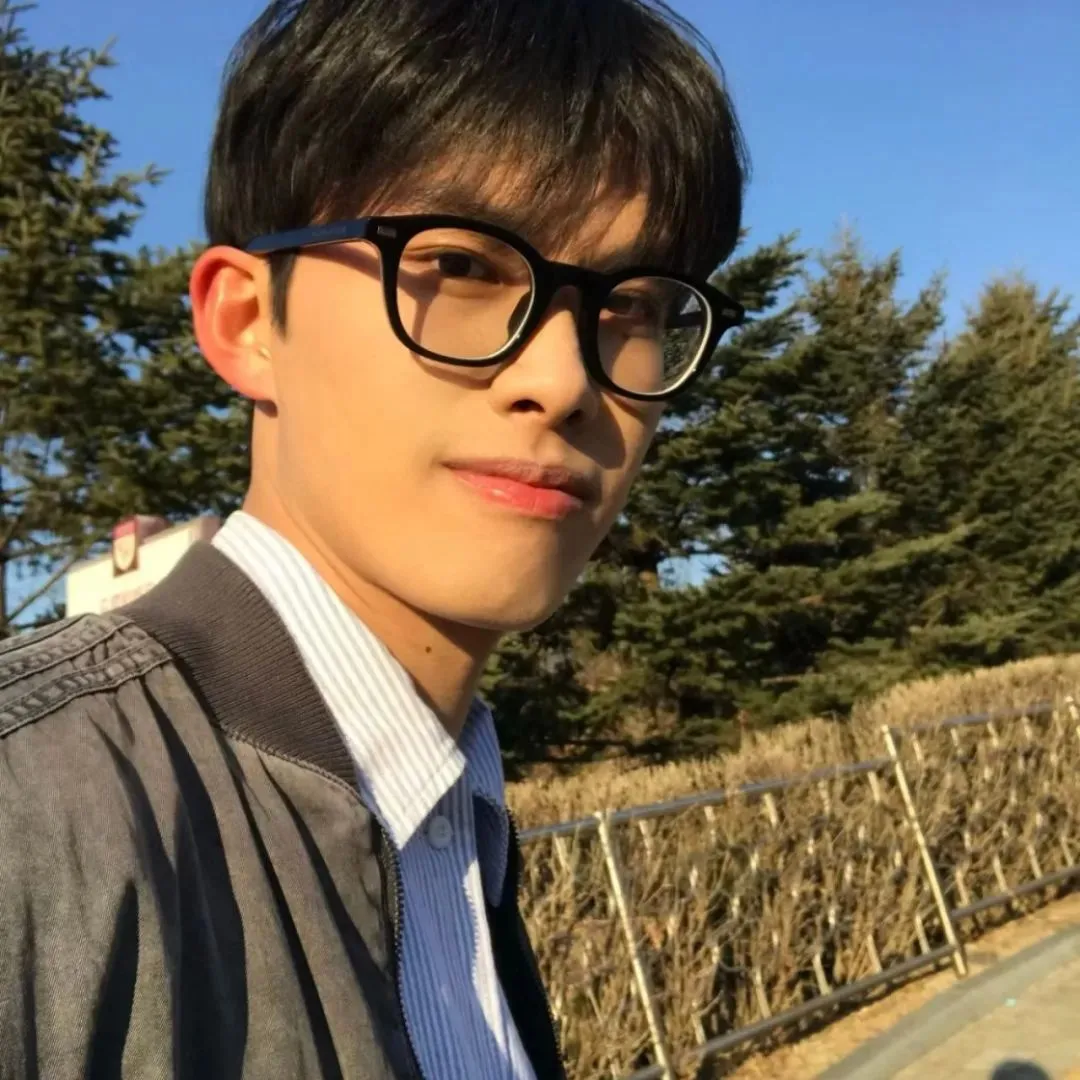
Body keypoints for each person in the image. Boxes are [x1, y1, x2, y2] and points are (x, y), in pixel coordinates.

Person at [0, 0, 747, 1076]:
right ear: (247, 323)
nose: (562, 381)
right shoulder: (35, 816)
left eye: (630, 306)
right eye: (463, 267)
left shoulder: (453, 822)